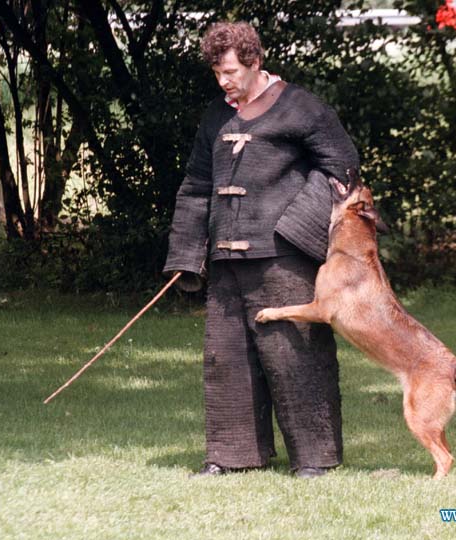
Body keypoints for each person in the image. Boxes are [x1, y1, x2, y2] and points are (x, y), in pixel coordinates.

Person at [163, 21, 359, 478]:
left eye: (230, 71)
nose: (223, 80)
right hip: (227, 261)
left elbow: (343, 169)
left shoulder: (302, 108)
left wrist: (297, 226)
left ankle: (315, 459)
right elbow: (197, 185)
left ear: (255, 62)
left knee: (295, 356)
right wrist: (186, 254)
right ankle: (232, 456)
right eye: (216, 72)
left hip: (285, 257)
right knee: (226, 358)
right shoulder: (216, 116)